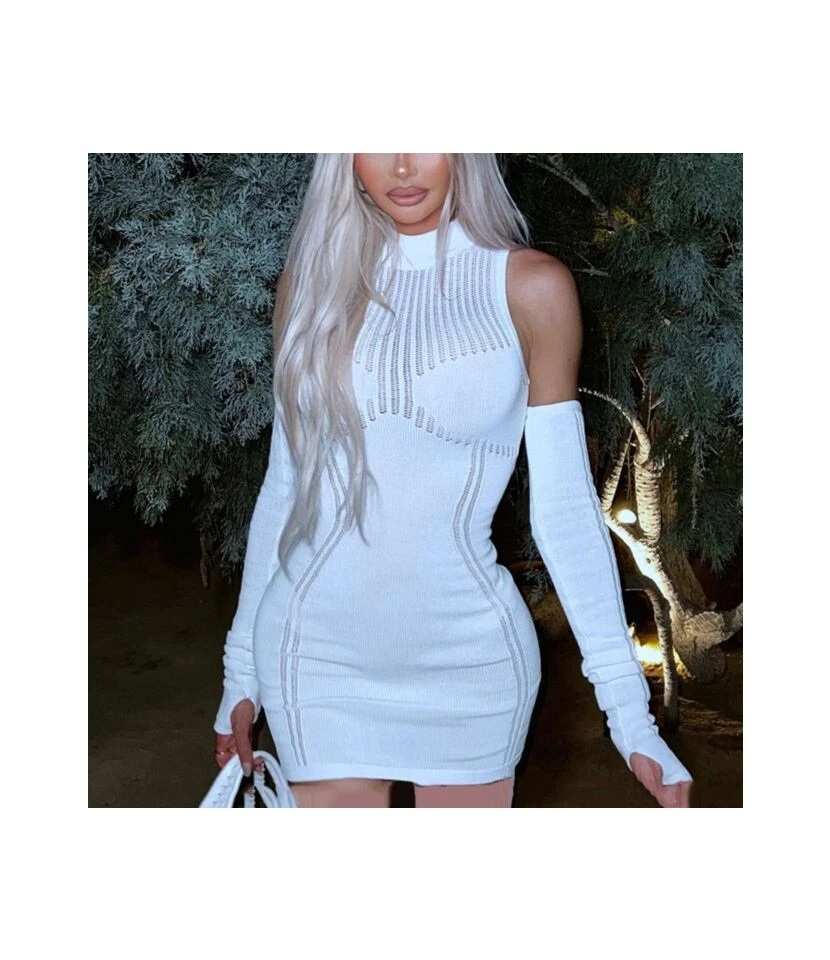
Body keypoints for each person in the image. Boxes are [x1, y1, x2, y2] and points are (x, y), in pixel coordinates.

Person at [212, 153, 694, 808]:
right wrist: (240, 674)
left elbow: (565, 513)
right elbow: (285, 488)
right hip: (314, 655)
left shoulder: (531, 288)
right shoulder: (308, 287)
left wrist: (629, 714)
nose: (402, 165)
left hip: (472, 662)